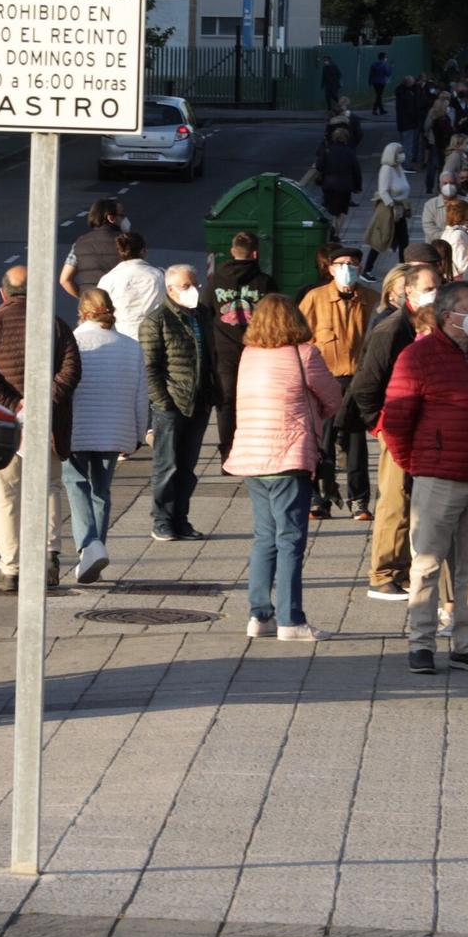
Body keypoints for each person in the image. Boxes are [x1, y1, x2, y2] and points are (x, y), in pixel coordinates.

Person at [379, 282, 468, 676]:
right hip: (439, 476)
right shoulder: (417, 356)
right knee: (428, 562)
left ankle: (467, 644)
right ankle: (421, 642)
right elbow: (396, 422)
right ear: (448, 315)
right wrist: (416, 463)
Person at [226, 295, 345, 642]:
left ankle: (259, 616)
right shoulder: (304, 354)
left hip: (252, 456)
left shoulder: (248, 356)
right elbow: (333, 397)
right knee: (291, 539)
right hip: (289, 456)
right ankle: (291, 620)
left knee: (265, 538)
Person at [0, 269, 82, 593]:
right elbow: (72, 370)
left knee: (5, 499)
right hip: (47, 426)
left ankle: (12, 568)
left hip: (1, 426)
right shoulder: (56, 325)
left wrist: (12, 403)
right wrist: (43, 401)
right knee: (48, 489)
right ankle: (49, 559)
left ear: (3, 293)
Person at [347, 263, 439, 599]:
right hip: (396, 424)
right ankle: (384, 573)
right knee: (395, 499)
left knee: (414, 499)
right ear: (409, 292)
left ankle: (401, 567)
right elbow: (365, 385)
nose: (435, 292)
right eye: (428, 287)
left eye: (438, 285)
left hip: (424, 423)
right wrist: (381, 424)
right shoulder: (391, 329)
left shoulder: (431, 323)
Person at [65, 289, 148, 584]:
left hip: (77, 429)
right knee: (102, 490)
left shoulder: (73, 343)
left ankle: (89, 546)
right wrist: (139, 432)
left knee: (75, 484)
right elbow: (141, 396)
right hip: (115, 429)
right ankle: (95, 551)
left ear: (83, 313)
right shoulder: (130, 346)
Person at [300, 247, 375, 519]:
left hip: (357, 381)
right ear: (330, 269)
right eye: (341, 264)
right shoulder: (315, 299)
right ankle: (320, 498)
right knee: (323, 443)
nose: (347, 268)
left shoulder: (369, 298)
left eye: (353, 264)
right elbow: (300, 339)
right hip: (324, 381)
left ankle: (359, 499)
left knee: (356, 444)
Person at [141, 266, 213, 542]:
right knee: (166, 465)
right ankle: (162, 521)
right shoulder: (156, 320)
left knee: (187, 467)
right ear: (170, 290)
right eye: (185, 285)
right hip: (171, 404)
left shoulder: (203, 315)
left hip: (200, 401)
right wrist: (163, 402)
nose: (193, 289)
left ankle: (181, 519)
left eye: (195, 284)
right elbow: (150, 368)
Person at [208, 230, 276, 461]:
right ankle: (253, 450)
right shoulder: (265, 282)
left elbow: (206, 311)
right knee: (256, 402)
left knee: (226, 402)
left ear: (231, 252)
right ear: (255, 253)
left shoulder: (216, 279)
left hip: (224, 349)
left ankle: (228, 454)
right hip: (257, 350)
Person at [96, 230, 165, 341]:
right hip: (154, 334)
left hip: (120, 336)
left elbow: (100, 308)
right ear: (143, 251)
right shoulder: (159, 275)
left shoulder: (108, 279)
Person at [59, 199, 127, 300]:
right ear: (111, 218)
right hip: (121, 304)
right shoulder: (127, 242)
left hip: (92, 308)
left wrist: (85, 299)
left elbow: (64, 280)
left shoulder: (79, 243)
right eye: (122, 215)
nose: (125, 219)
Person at [364, 141, 412, 277]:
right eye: (399, 152)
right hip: (389, 210)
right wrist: (393, 206)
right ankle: (367, 269)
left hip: (400, 209)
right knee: (381, 239)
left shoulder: (398, 168)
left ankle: (403, 267)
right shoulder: (386, 169)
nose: (402, 155)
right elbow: (383, 191)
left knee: (404, 240)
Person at [316, 127, 364, 230]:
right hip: (345, 185)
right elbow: (356, 170)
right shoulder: (350, 152)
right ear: (346, 138)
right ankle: (337, 233)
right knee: (342, 210)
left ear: (334, 137)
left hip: (329, 183)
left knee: (330, 208)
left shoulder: (327, 150)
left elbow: (319, 166)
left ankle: (331, 229)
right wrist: (358, 186)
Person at [421, 171, 458, 243]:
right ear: (440, 185)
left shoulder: (466, 202)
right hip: (436, 247)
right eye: (445, 183)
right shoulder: (430, 205)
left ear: (456, 184)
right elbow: (429, 228)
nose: (448, 186)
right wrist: (450, 237)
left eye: (451, 183)